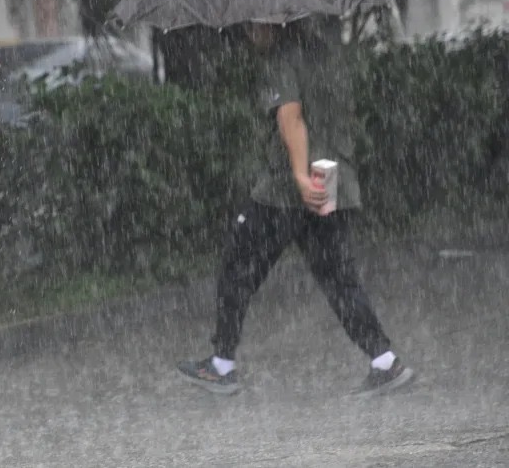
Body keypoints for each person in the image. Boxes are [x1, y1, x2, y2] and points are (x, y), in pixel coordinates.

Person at [177, 19, 414, 396]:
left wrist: (300, 177)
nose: (249, 33)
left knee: (237, 268)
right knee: (338, 279)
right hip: (332, 175)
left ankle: (221, 365)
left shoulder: (280, 60)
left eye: (252, 25)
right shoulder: (324, 52)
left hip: (285, 188)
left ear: (271, 23)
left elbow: (291, 118)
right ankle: (384, 360)